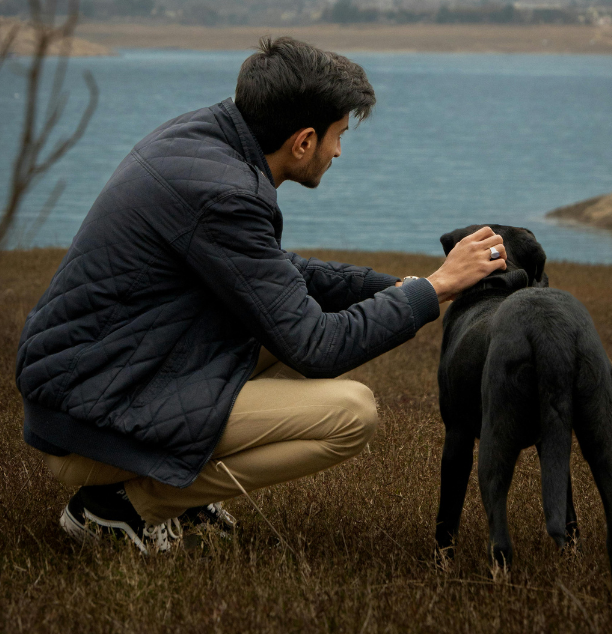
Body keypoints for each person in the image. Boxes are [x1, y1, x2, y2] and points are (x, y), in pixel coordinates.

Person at [16, 36, 506, 553]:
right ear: (303, 141)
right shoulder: (225, 194)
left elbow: (278, 276)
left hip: (98, 380)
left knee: (274, 323)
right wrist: (432, 291)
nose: (339, 152)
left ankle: (171, 491)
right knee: (351, 415)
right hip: (90, 420)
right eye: (338, 136)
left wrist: (407, 285)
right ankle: (125, 507)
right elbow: (319, 347)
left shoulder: (203, 139)